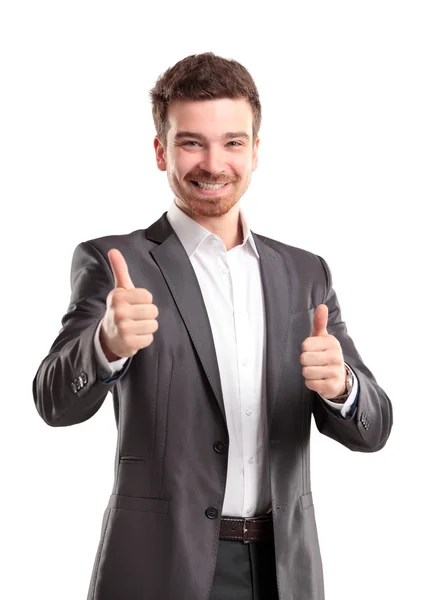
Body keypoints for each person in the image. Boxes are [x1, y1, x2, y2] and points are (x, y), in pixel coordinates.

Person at [32, 52, 393, 600]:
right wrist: (105, 345)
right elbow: (54, 402)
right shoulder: (113, 262)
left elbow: (373, 429)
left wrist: (342, 387)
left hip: (284, 571)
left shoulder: (305, 273)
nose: (213, 163)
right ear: (161, 151)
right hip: (161, 569)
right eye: (191, 142)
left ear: (255, 151)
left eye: (233, 142)